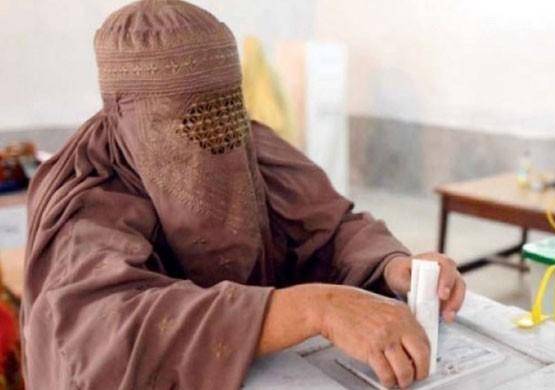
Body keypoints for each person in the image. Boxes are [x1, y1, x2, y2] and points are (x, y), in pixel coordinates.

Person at [21, 1, 466, 389]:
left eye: (225, 108)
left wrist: (392, 267)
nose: (215, 139)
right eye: (190, 117)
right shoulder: (89, 195)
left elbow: (327, 230)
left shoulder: (246, 144)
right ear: (127, 109)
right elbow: (111, 332)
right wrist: (314, 308)